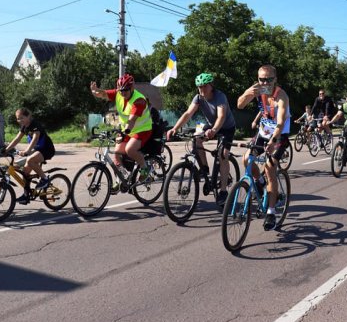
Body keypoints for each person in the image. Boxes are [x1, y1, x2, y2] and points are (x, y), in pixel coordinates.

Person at [167, 73, 237, 208]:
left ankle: (223, 191)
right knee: (196, 139)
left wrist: (214, 131)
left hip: (226, 127)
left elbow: (221, 116)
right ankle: (204, 168)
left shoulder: (220, 96)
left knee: (223, 155)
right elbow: (188, 113)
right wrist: (174, 128)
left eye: (204, 87)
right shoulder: (198, 98)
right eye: (199, 87)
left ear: (211, 86)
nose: (201, 90)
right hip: (211, 125)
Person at [237, 64, 290, 231]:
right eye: (261, 79)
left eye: (268, 79)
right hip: (263, 132)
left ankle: (271, 212)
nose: (265, 83)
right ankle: (259, 183)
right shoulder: (257, 90)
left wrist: (273, 141)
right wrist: (248, 94)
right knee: (246, 159)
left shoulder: (281, 96)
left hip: (279, 135)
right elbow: (239, 105)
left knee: (269, 167)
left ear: (275, 80)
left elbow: (280, 121)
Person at [90, 74, 153, 181]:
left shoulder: (139, 100)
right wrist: (96, 91)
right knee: (117, 153)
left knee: (130, 150)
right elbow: (104, 93)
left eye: (126, 90)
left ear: (132, 88)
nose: (123, 93)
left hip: (142, 130)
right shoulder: (118, 93)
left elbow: (132, 120)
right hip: (128, 130)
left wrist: (124, 133)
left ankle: (145, 168)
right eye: (120, 90)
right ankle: (121, 179)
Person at [1, 108, 55, 204]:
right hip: (37, 150)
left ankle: (45, 179)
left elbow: (35, 138)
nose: (20, 120)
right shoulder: (24, 126)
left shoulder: (35, 125)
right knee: (25, 172)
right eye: (18, 119)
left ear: (28, 116)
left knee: (30, 160)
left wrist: (27, 151)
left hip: (47, 149)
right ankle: (26, 195)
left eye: (22, 118)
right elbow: (17, 139)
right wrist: (6, 150)